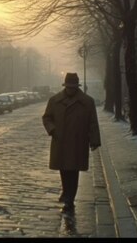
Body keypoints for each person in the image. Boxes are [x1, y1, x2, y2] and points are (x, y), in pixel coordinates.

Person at [42, 72, 101, 214]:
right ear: (65, 86)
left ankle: (70, 199)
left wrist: (94, 140)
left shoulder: (87, 102)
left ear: (77, 86)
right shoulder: (54, 100)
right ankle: (66, 192)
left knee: (73, 171)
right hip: (60, 140)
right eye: (69, 87)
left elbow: (93, 123)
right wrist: (52, 130)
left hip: (77, 141)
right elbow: (47, 118)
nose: (71, 90)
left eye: (73, 87)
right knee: (63, 169)